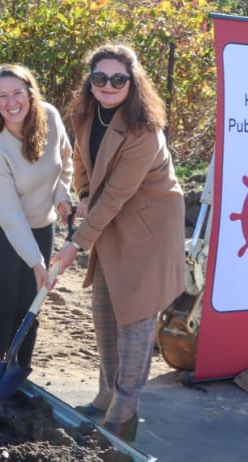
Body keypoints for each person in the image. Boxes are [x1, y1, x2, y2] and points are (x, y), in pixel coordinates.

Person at [53, 44, 185, 441]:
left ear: (133, 83)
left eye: (118, 79)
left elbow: (117, 196)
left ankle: (123, 418)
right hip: (110, 222)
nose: (108, 85)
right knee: (105, 312)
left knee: (135, 320)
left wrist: (75, 244)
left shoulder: (144, 131)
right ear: (90, 82)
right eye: (100, 78)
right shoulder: (85, 114)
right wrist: (84, 193)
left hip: (148, 230)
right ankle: (104, 397)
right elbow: (81, 162)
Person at [0, 64, 73, 374]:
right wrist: (37, 263)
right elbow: (10, 214)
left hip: (41, 225)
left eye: (17, 93)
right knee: (1, 308)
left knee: (30, 307)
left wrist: (61, 196)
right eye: (3, 96)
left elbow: (65, 161)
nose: (11, 102)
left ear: (30, 94)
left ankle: (17, 376)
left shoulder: (50, 118)